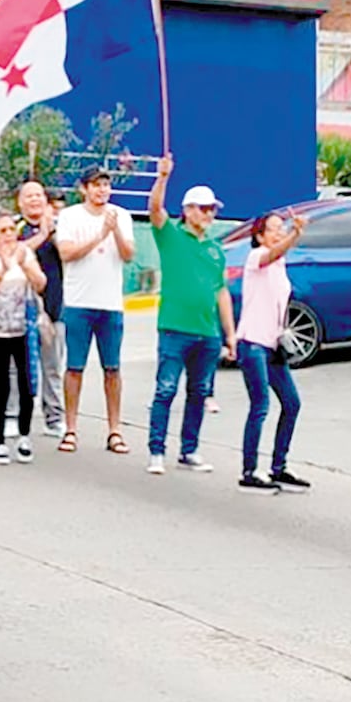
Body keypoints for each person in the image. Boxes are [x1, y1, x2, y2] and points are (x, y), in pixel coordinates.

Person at [145, 156, 236, 475]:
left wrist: (230, 333)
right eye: (203, 208)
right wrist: (163, 178)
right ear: (188, 210)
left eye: (212, 209)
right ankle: (157, 450)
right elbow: (155, 210)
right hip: (174, 328)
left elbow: (220, 291)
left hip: (207, 333)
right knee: (166, 389)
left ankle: (189, 449)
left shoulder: (215, 249)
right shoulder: (171, 235)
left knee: (198, 392)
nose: (209, 214)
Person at [54, 166, 135, 455]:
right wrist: (100, 234)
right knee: (74, 367)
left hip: (111, 304)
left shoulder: (120, 216)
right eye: (96, 185)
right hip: (78, 302)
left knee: (112, 369)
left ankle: (115, 430)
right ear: (84, 189)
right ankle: (70, 428)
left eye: (106, 185)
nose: (102, 190)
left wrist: (114, 232)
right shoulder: (70, 216)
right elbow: (66, 253)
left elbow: (128, 256)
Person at [236, 211, 311, 494]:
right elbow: (273, 253)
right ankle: (249, 471)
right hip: (252, 344)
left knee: (292, 403)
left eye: (283, 228)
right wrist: (295, 234)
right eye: (274, 229)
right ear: (259, 236)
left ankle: (279, 466)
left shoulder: (280, 265)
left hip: (273, 345)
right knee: (260, 406)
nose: (279, 233)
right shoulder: (256, 258)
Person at [0, 210, 48, 464]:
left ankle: (24, 435)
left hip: (23, 330)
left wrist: (26, 265)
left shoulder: (25, 253)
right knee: (1, 385)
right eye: (2, 231)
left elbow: (41, 284)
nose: (8, 235)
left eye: (11, 230)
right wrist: (2, 270)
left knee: (27, 383)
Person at [16, 180, 66, 437]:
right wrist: (42, 235)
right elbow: (17, 252)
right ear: (20, 202)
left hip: (54, 306)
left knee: (52, 366)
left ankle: (54, 417)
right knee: (18, 366)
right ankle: (14, 415)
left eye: (39, 195)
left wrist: (53, 231)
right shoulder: (16, 227)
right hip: (19, 308)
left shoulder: (59, 227)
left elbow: (67, 254)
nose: (35, 200)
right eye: (29, 196)